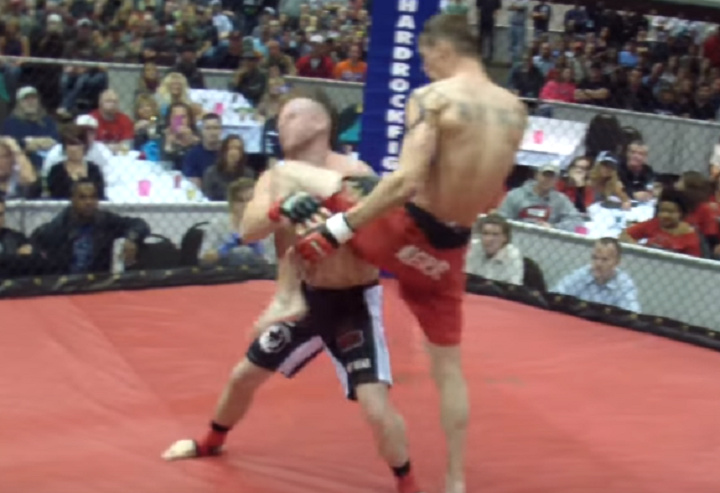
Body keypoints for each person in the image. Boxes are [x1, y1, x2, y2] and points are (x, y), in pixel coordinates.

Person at [259, 14, 527, 493]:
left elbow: (403, 182)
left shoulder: (433, 98)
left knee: (301, 180)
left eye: (425, 58)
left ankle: (288, 295)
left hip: (402, 232)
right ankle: (456, 481)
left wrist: (339, 228)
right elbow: (492, 194)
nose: (425, 67)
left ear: (441, 49)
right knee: (448, 369)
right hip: (448, 255)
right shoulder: (516, 111)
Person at [161, 93, 423, 493]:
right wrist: (278, 209)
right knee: (243, 376)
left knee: (374, 404)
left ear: (320, 123)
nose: (281, 124)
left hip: (352, 302)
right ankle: (210, 441)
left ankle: (408, 483)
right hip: (305, 300)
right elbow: (248, 229)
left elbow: (383, 234)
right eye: (281, 118)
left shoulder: (354, 172)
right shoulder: (276, 177)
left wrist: (336, 230)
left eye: (291, 116)